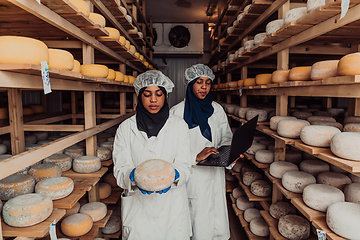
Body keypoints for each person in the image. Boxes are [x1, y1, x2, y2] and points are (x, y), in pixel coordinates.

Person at [113, 70, 192, 240]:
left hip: (172, 207)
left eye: (159, 94)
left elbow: (185, 163)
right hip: (138, 210)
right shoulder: (126, 128)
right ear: (139, 96)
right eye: (147, 94)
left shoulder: (179, 126)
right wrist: (132, 176)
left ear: (165, 96)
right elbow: (120, 168)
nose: (153, 99)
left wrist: (175, 175)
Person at [170, 64, 233, 240]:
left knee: (216, 222)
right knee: (197, 224)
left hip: (216, 174)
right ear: (190, 84)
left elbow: (226, 137)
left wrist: (231, 153)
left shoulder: (217, 109)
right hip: (193, 178)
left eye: (207, 82)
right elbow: (170, 150)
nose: (204, 87)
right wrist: (196, 156)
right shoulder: (176, 112)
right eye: (199, 82)